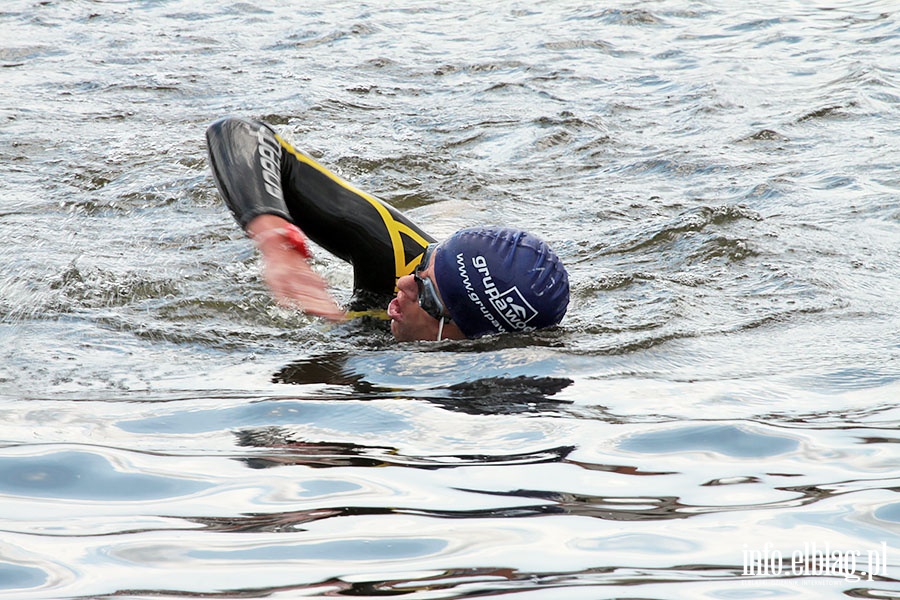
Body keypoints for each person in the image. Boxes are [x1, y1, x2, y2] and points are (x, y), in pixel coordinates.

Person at [206, 117, 569, 342]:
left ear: (466, 337)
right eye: (423, 267)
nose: (403, 282)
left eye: (425, 292)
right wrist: (276, 243)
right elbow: (238, 133)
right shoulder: (399, 255)